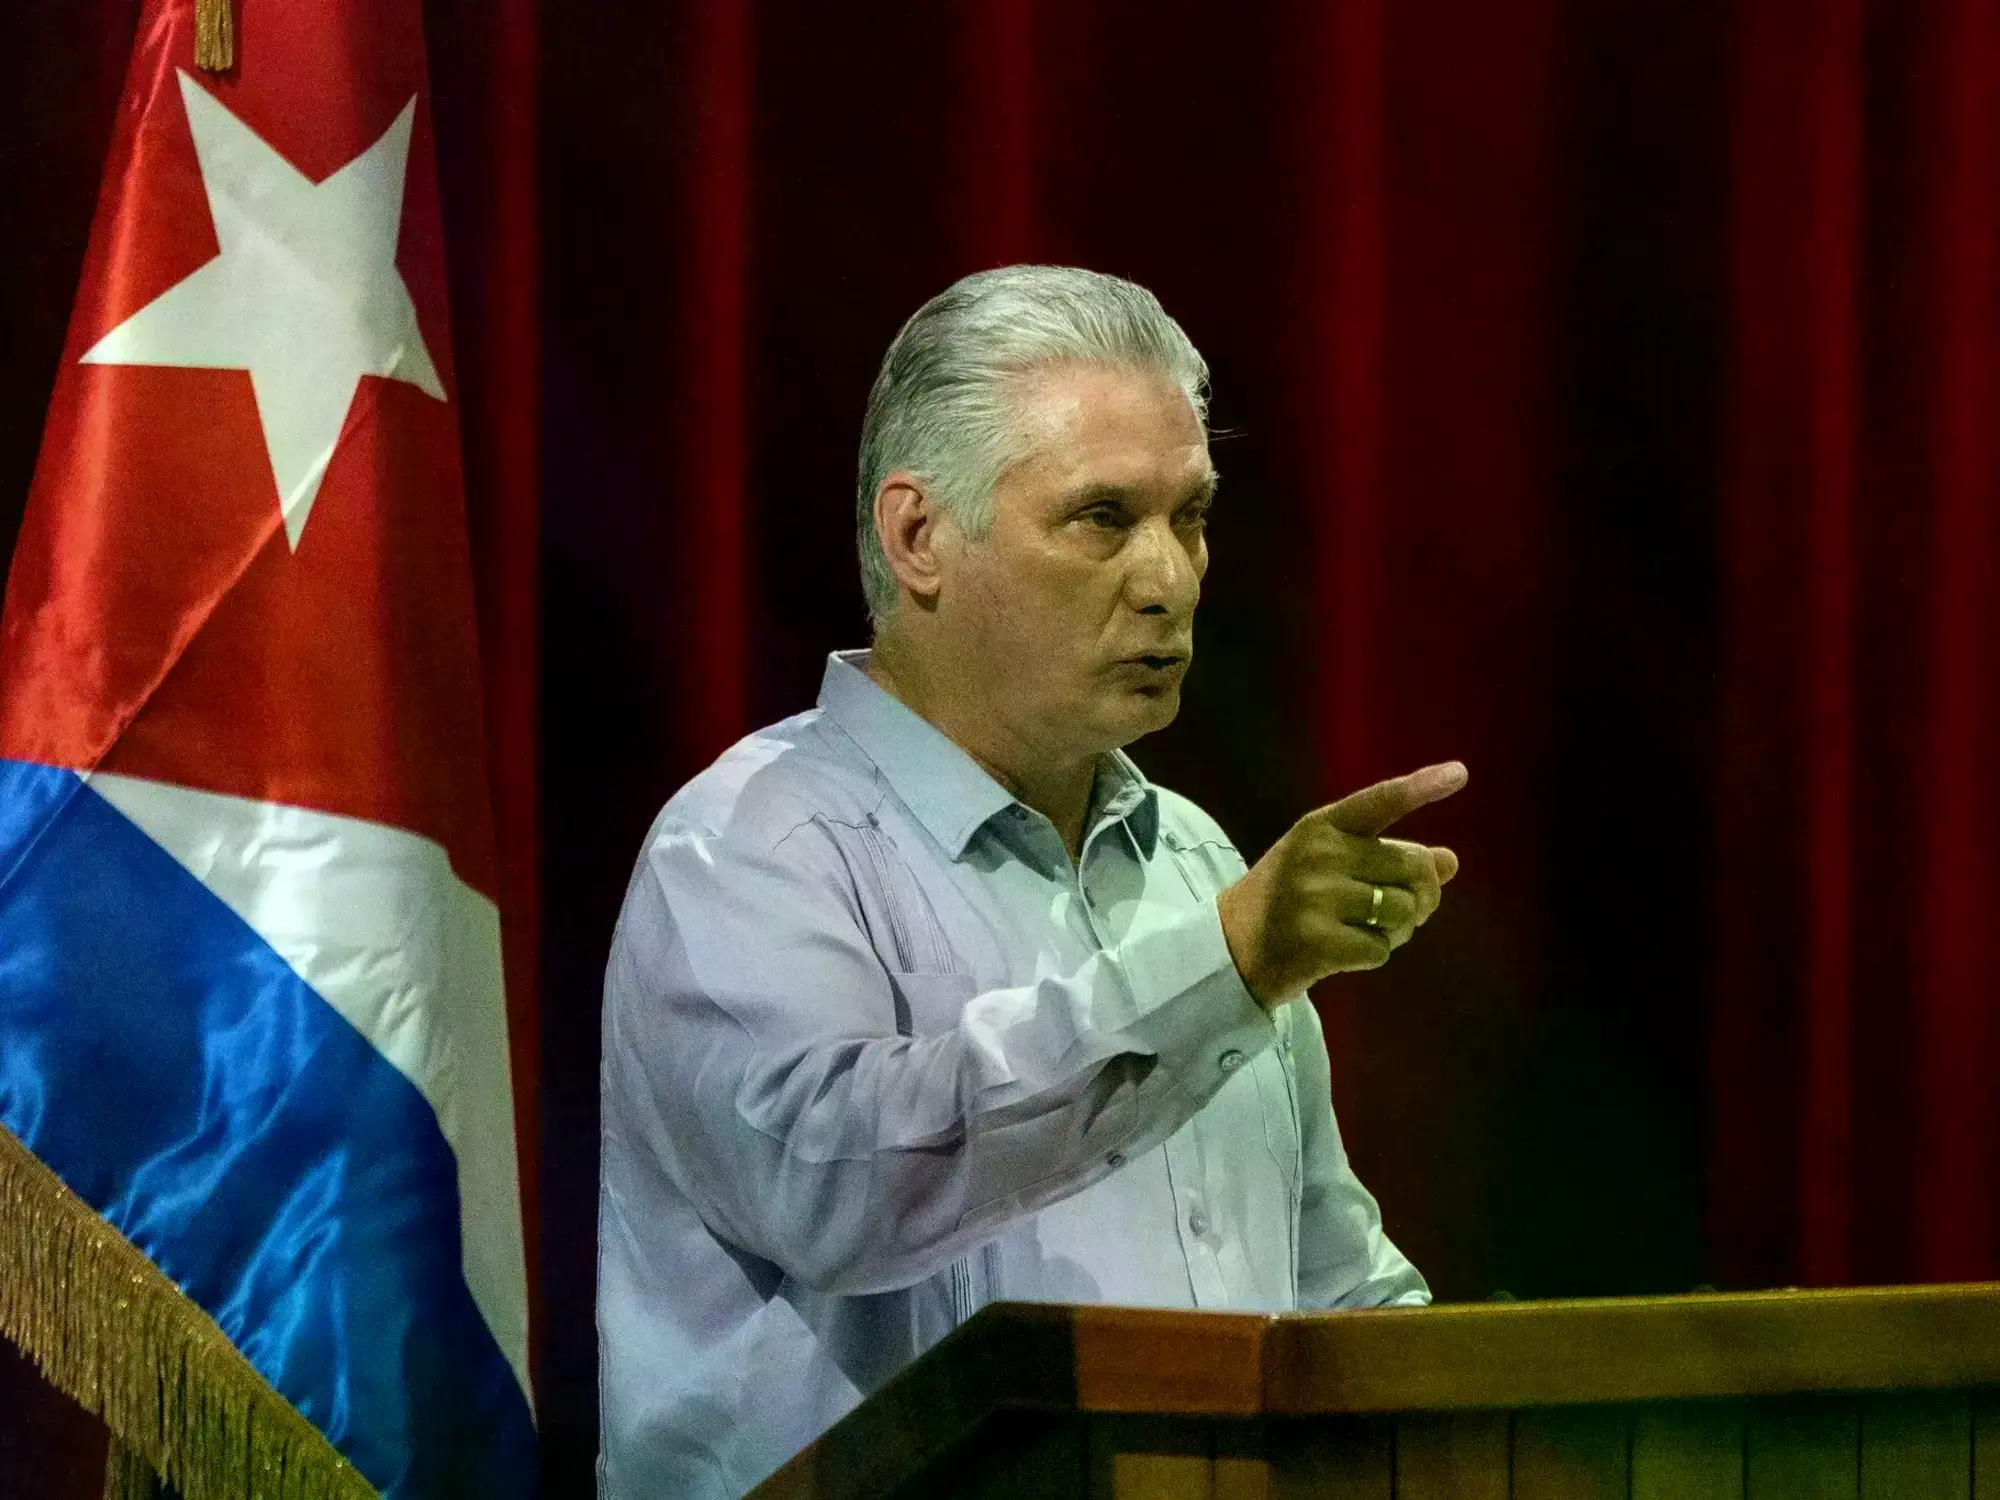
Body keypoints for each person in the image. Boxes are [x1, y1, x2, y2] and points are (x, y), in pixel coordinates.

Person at [596, 265, 1467, 1498]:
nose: (1168, 579)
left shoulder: (1196, 862)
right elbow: (851, 1187)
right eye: (1102, 518)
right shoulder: (747, 848)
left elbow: (1327, 1292)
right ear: (918, 539)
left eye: (1190, 516)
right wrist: (1221, 966)